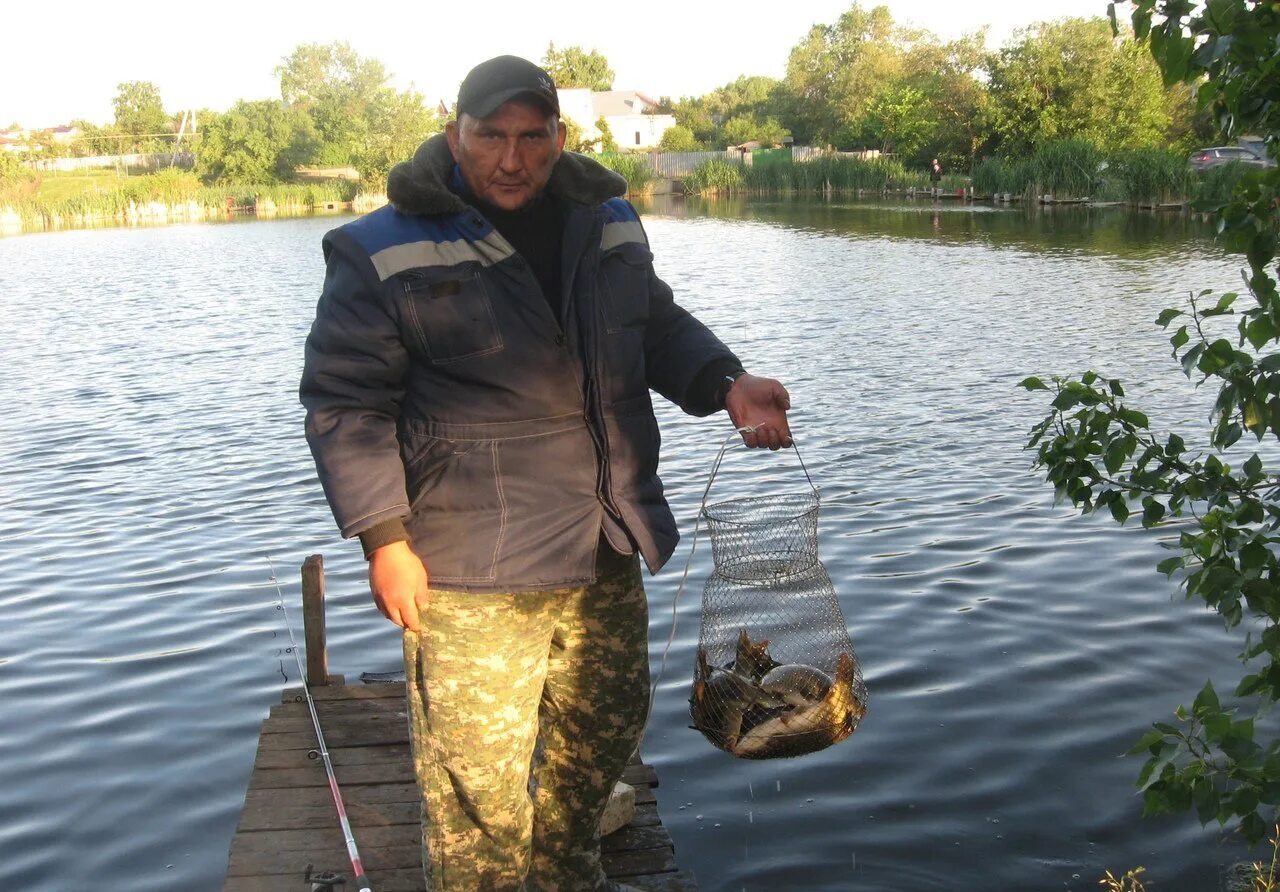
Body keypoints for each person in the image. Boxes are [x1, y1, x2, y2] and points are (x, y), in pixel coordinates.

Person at [300, 54, 793, 892]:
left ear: (560, 139)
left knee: (594, 754)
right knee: (478, 797)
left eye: (533, 137)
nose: (512, 157)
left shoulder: (605, 219)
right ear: (456, 134)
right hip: (471, 572)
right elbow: (345, 402)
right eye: (491, 135)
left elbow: (654, 322)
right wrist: (383, 538)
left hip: (603, 545)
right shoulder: (378, 248)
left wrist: (724, 383)